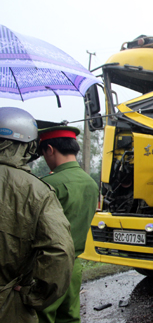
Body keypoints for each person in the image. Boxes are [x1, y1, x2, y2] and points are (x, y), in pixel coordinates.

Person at [0, 107, 75, 323]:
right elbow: (60, 251)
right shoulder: (37, 190)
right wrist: (33, 296)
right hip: (10, 306)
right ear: (30, 146)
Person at [36, 126, 99, 323]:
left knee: (42, 316)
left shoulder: (47, 184)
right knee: (70, 318)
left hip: (46, 268)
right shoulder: (90, 183)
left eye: (43, 153)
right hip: (74, 264)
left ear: (50, 149)